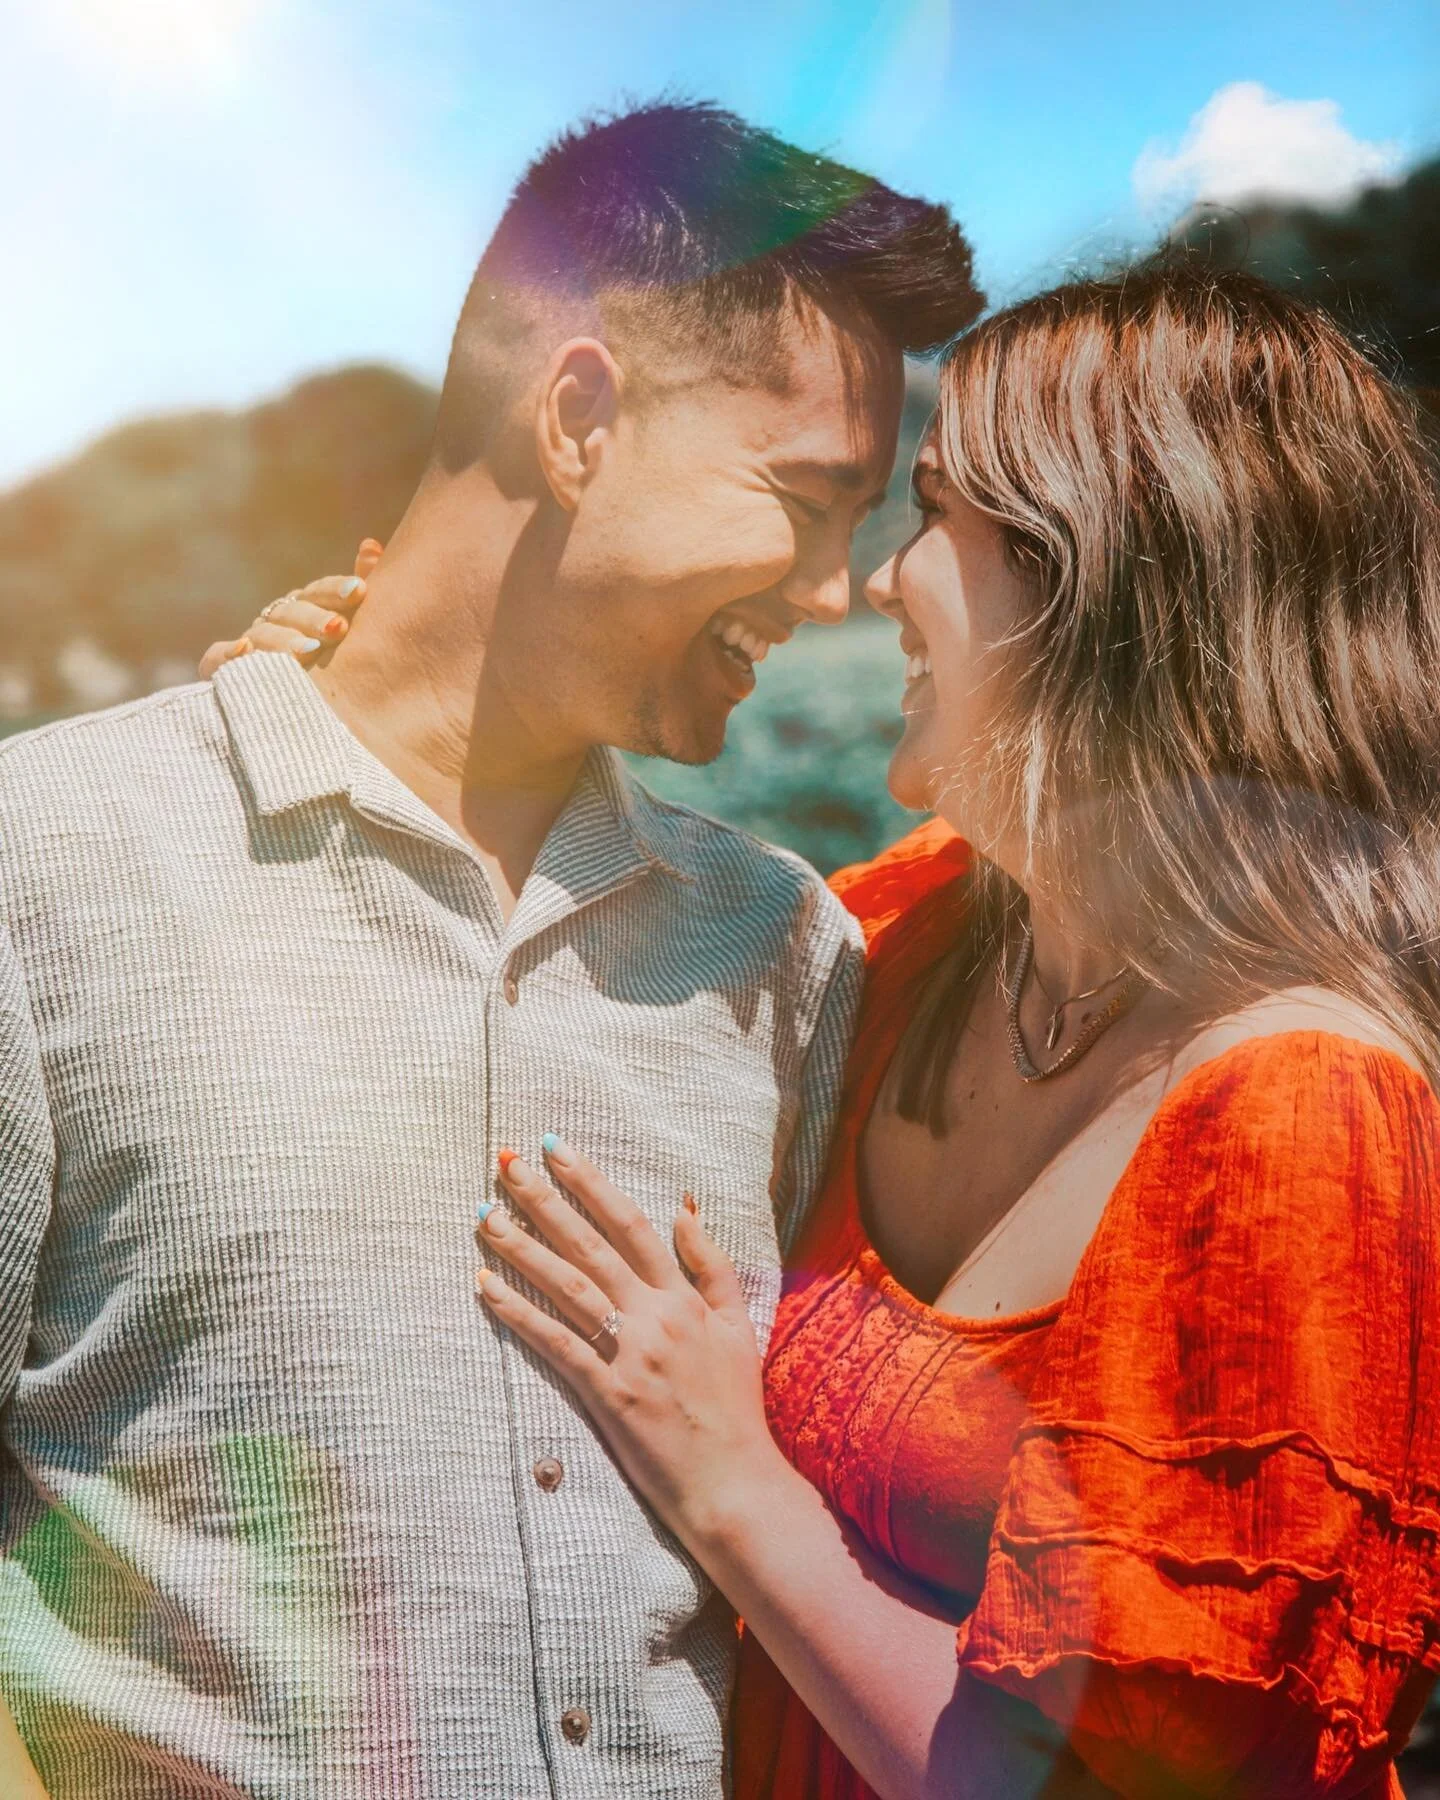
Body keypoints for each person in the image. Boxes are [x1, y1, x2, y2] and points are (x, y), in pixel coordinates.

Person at [266, 266, 1440, 1798]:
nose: (874, 585)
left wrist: (732, 1483)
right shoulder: (911, 938)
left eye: (937, 519)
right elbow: (578, 962)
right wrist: (371, 714)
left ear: (1108, 589)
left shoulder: (1305, 1117)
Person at [0, 104, 981, 1798]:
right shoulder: (49, 862)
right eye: (809, 501)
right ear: (583, 415)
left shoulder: (787, 950)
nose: (835, 594)